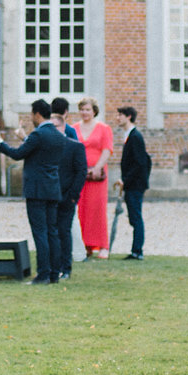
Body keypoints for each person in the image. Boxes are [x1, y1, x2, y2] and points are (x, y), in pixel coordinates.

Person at [0, 100, 64, 285]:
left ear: (37, 114)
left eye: (32, 115)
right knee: (52, 232)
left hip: (37, 190)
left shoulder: (38, 134)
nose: (32, 118)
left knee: (40, 232)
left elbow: (17, 154)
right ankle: (54, 273)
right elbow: (38, 151)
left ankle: (42, 274)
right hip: (52, 188)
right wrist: (25, 138)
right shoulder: (57, 135)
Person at [72, 97, 114, 259]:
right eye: (82, 109)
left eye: (88, 109)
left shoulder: (104, 128)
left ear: (94, 111)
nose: (85, 112)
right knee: (81, 209)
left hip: (97, 176)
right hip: (79, 174)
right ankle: (86, 244)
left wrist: (96, 168)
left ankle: (102, 245)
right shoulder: (74, 128)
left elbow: (107, 149)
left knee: (97, 209)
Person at [49, 98, 83, 277]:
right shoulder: (48, 139)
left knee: (64, 230)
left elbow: (79, 169)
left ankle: (65, 266)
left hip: (66, 192)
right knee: (53, 231)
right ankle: (54, 265)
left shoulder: (72, 140)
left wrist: (73, 195)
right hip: (51, 193)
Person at [115, 107, 150, 260]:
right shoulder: (130, 135)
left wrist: (125, 180)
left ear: (128, 117)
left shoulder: (135, 136)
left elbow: (140, 163)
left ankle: (137, 251)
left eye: (120, 115)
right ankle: (136, 250)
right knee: (134, 217)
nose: (117, 118)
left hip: (135, 185)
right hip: (133, 183)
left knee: (136, 217)